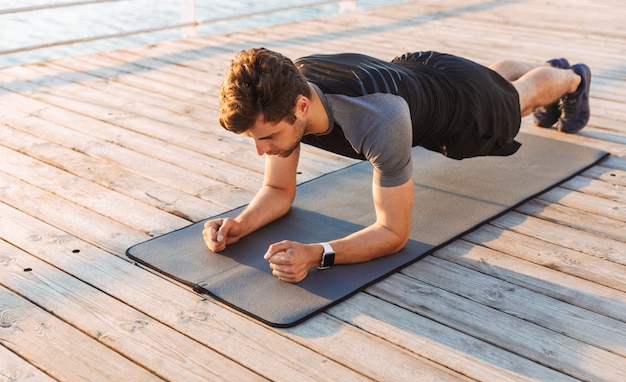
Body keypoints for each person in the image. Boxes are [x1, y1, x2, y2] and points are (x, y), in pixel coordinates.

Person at [203, 48, 591, 283]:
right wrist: (241, 223)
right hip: (420, 70)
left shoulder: (378, 121)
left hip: (457, 108)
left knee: (517, 103)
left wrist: (316, 253)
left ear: (301, 107)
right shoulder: (287, 88)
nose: (260, 150)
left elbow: (393, 232)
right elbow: (277, 191)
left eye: (265, 137)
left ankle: (571, 77)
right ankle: (520, 76)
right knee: (493, 86)